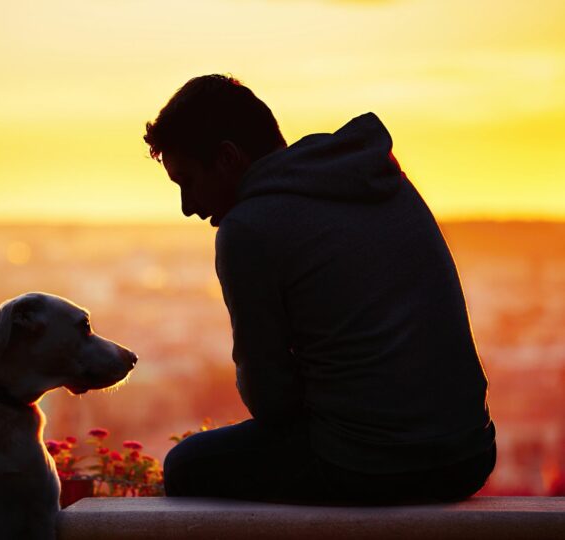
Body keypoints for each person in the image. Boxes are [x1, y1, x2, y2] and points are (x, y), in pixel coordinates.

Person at [144, 74, 496, 504]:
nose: (188, 207)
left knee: (186, 467)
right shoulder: (381, 178)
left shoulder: (247, 230)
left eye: (187, 182)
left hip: (371, 466)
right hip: (471, 454)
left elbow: (271, 402)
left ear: (227, 158)